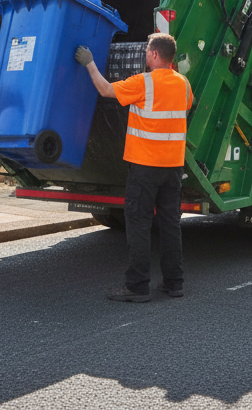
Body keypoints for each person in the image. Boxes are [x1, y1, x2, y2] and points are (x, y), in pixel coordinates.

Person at [76, 33, 192, 302]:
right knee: (170, 224)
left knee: (139, 224)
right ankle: (174, 283)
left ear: (153, 55)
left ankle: (137, 286)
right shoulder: (183, 84)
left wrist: (90, 63)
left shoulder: (144, 83)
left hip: (145, 167)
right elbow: (186, 108)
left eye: (147, 52)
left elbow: (105, 90)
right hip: (173, 167)